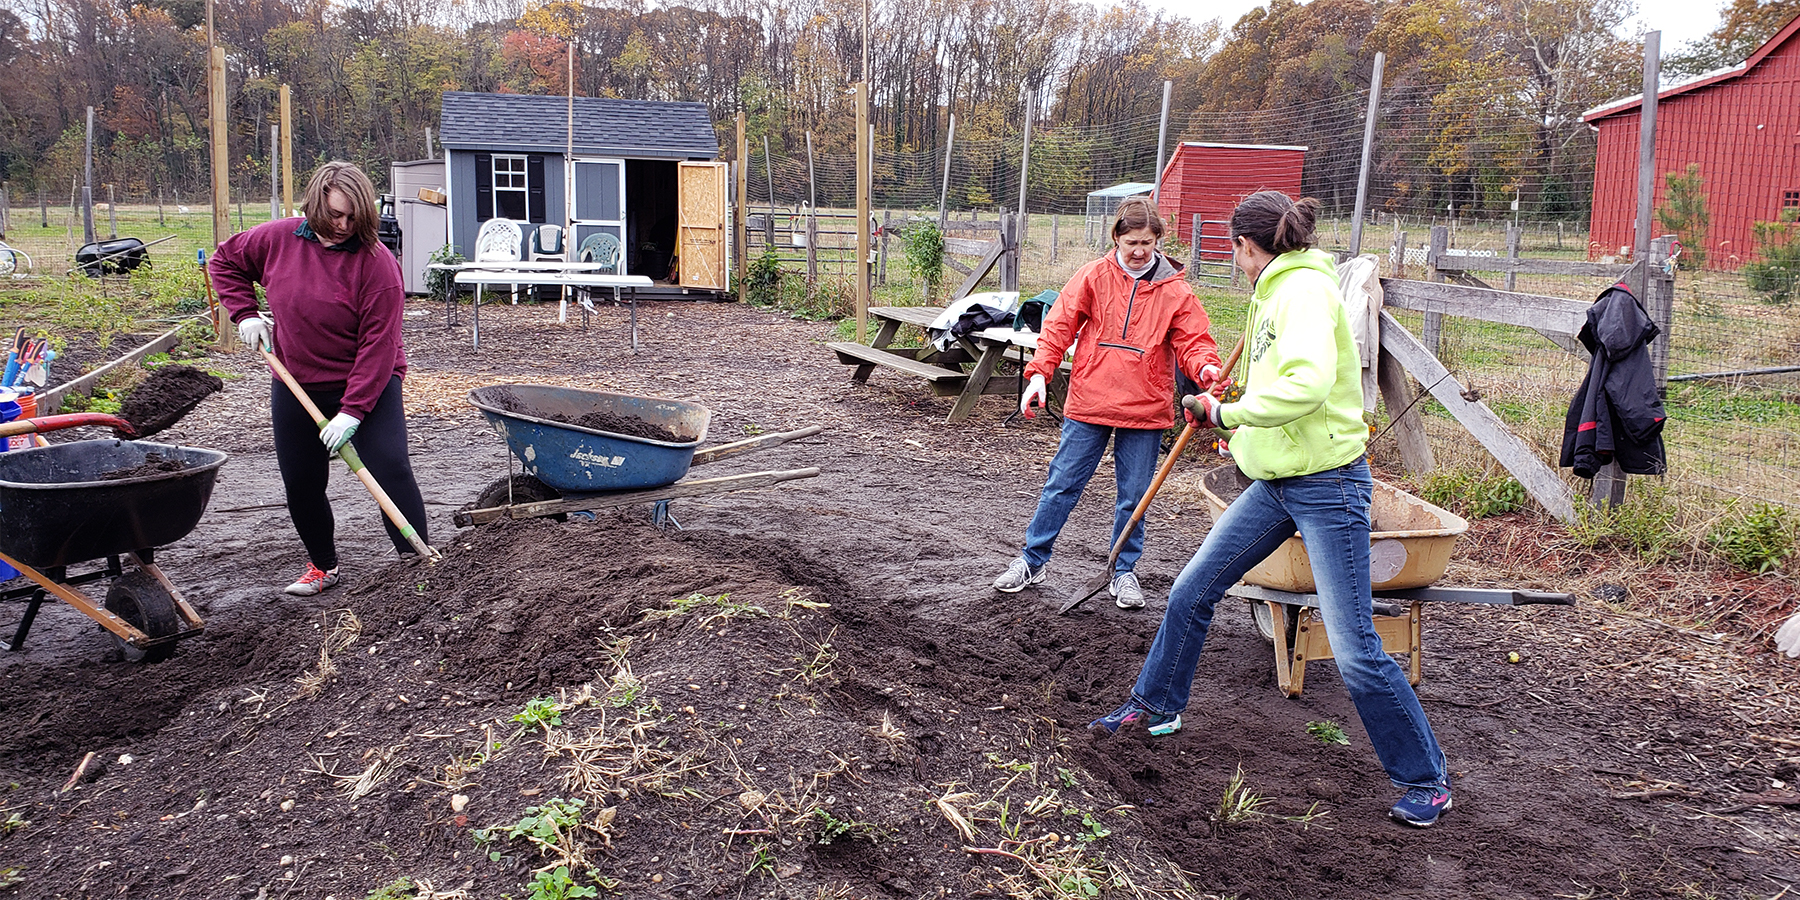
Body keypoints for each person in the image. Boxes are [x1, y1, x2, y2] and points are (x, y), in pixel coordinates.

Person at [1087, 191, 1454, 828]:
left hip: (1329, 486)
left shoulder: (1304, 293)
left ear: (1249, 246)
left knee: (1354, 644)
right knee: (1191, 590)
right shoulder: (1274, 291)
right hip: (1276, 480)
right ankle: (1155, 706)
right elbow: (1280, 379)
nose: (1232, 258)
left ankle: (1426, 778)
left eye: (1234, 247)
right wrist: (1242, 408)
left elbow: (1307, 385)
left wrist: (1228, 413)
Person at [210, 160, 432, 596]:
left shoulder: (377, 265)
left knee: (390, 467)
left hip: (368, 381)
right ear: (315, 205)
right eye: (335, 214)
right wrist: (245, 313)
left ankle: (417, 563)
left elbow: (379, 346)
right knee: (302, 479)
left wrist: (353, 412)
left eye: (353, 216)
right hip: (297, 381)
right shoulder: (278, 239)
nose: (344, 224)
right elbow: (225, 262)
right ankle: (322, 566)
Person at [991, 197, 1222, 609]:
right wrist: (1040, 374)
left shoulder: (1175, 290)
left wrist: (1205, 369)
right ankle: (1032, 560)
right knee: (1061, 484)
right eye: (1131, 241)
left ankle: (1123, 571)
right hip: (1089, 400)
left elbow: (1193, 340)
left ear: (1158, 242)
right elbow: (1059, 325)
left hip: (1145, 407)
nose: (1138, 251)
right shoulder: (1093, 276)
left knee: (1134, 496)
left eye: (1147, 243)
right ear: (1116, 237)